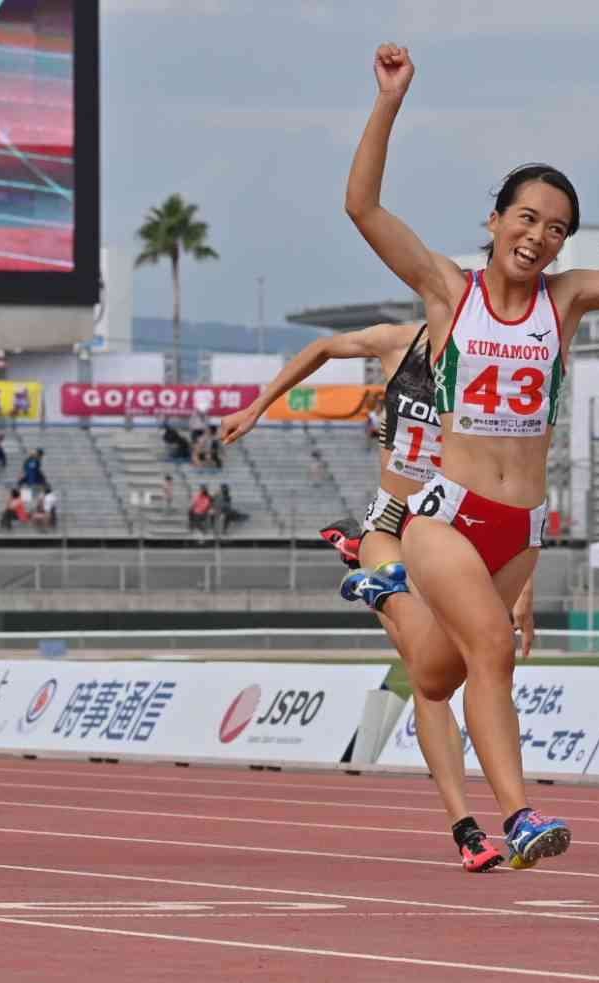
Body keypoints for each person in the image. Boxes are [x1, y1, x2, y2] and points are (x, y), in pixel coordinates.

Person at [346, 41, 599, 868]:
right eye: (526, 218)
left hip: (518, 528)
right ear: (494, 221)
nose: (539, 236)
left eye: (555, 228)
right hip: (445, 514)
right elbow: (364, 208)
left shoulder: (569, 297)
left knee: (441, 675)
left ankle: (386, 595)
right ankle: (519, 816)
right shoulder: (450, 292)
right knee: (491, 650)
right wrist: (389, 101)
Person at [222, 321, 528, 871]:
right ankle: (465, 826)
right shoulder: (399, 341)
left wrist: (522, 584)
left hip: (461, 527)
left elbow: (516, 470)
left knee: (444, 672)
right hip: (396, 517)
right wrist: (258, 406)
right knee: (425, 678)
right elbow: (321, 346)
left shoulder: (497, 361)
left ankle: (373, 578)